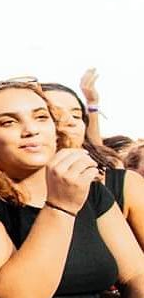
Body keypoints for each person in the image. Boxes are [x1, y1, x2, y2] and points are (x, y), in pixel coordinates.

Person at [0, 81, 144, 298]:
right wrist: (61, 207)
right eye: (8, 122)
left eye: (41, 117)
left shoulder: (92, 191)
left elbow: (134, 275)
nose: (30, 130)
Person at [42, 82, 144, 249]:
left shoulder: (123, 185)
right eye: (52, 115)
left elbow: (136, 272)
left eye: (76, 116)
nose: (69, 122)